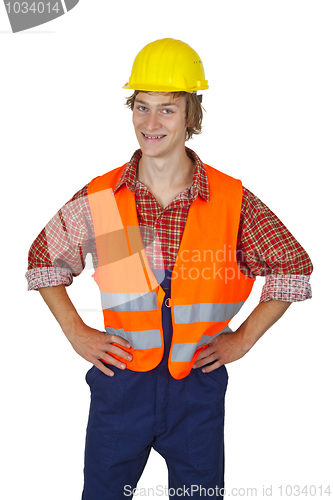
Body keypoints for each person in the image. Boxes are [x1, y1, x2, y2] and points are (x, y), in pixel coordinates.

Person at [26, 38, 313, 499]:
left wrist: (242, 339)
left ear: (191, 117)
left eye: (167, 109)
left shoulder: (229, 199)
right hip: (120, 390)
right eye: (141, 107)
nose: (150, 123)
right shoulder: (102, 196)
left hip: (195, 393)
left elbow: (292, 268)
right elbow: (44, 259)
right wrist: (76, 332)